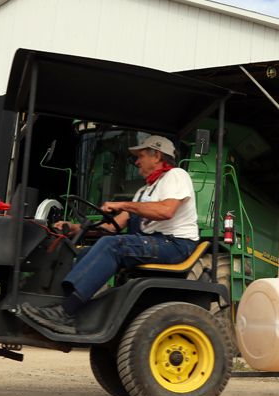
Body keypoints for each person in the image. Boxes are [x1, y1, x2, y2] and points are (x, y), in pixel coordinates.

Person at [23, 135, 199, 334]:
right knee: (82, 253)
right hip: (152, 242)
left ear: (157, 155)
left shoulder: (176, 175)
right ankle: (60, 303)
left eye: (140, 156)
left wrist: (123, 204)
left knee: (112, 245)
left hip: (175, 244)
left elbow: (166, 211)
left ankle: (66, 313)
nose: (136, 161)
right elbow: (113, 228)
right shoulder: (143, 191)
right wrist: (75, 228)